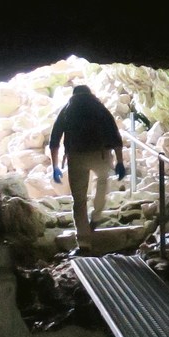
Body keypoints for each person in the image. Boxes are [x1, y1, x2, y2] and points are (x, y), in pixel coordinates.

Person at [49, 85, 127, 254]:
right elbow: (115, 136)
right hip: (101, 155)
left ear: (74, 95)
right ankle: (97, 215)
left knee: (79, 199)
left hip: (76, 157)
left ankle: (84, 243)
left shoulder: (67, 109)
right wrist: (120, 161)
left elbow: (54, 141)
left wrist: (55, 166)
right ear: (90, 94)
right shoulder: (99, 108)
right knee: (102, 182)